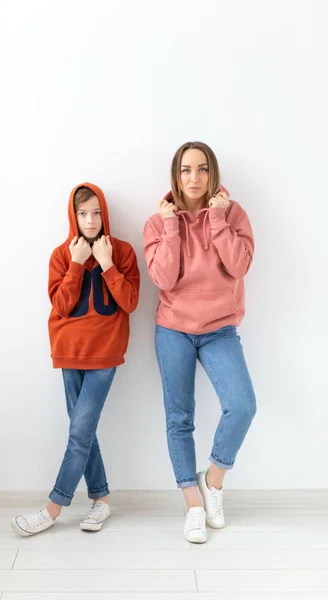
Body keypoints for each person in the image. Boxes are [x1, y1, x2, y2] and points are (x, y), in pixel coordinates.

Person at [143, 142, 256, 543]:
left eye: (202, 169)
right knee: (179, 418)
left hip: (220, 329)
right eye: (186, 170)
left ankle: (213, 481)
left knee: (242, 406)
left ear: (213, 174)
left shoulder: (232, 212)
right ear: (176, 175)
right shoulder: (158, 223)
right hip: (173, 328)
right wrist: (172, 226)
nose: (194, 178)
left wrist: (220, 220)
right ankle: (193, 505)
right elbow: (164, 280)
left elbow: (240, 265)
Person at [11, 183, 140, 536]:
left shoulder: (124, 251)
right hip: (68, 352)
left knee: (80, 432)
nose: (91, 219)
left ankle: (53, 507)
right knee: (81, 430)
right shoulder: (60, 254)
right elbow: (61, 305)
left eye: (97, 212)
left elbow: (129, 302)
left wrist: (108, 264)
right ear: (73, 215)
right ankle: (101, 500)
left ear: (105, 214)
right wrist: (78, 264)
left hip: (105, 354)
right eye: (83, 213)